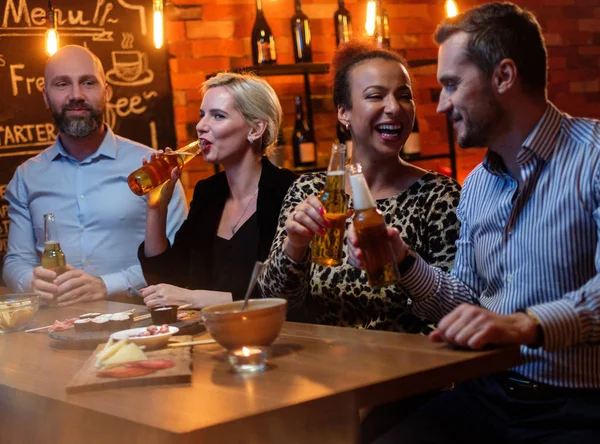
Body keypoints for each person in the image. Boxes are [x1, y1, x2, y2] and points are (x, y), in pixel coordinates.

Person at [350, 3, 600, 443]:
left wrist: (525, 324)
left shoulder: (593, 157)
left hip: (577, 405)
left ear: (503, 77)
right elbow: (465, 299)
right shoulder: (479, 182)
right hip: (484, 395)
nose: (441, 104)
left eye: (451, 85)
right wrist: (404, 262)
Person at [259, 39, 462, 332]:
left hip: (414, 369)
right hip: (329, 369)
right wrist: (296, 245)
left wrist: (402, 263)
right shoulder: (309, 191)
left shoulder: (439, 195)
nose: (394, 107)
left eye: (404, 95)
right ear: (344, 112)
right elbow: (276, 302)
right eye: (375, 95)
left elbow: (457, 308)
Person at [2, 45, 188, 307]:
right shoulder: (27, 177)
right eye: (62, 84)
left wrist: (106, 285)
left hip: (139, 327)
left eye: (88, 82)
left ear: (106, 92)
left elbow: (181, 258)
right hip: (56, 331)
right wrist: (28, 281)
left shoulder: (153, 168)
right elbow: (16, 261)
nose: (76, 95)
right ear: (45, 96)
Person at [138, 72, 298, 309]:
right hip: (209, 338)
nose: (201, 126)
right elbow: (165, 280)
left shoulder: (289, 191)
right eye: (202, 115)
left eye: (218, 116)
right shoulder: (208, 193)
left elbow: (280, 296)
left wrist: (193, 298)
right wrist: (156, 208)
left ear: (255, 129)